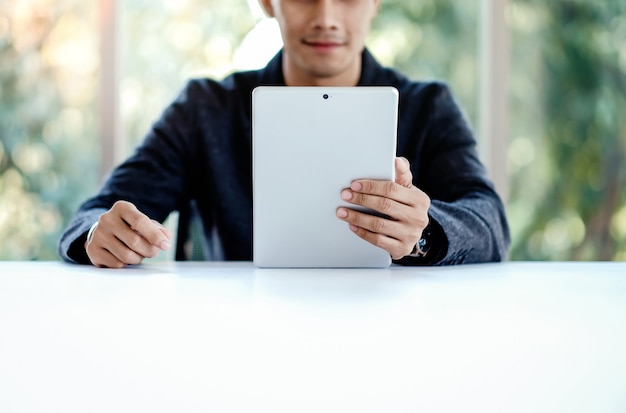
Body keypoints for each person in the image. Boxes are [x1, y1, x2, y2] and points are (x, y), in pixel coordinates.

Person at [59, 0, 510, 268]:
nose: (326, 17)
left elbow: (490, 221)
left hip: (388, 334)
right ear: (268, 2)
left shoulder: (428, 107)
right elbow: (94, 215)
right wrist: (100, 235)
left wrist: (425, 231)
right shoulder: (205, 110)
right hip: (237, 337)